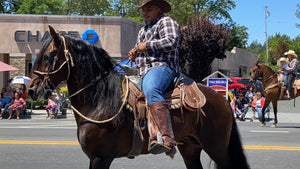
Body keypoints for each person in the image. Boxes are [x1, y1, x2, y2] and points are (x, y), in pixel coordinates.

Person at [128, 0, 180, 154]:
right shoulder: (143, 30)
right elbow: (141, 48)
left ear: (159, 9)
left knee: (151, 88)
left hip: (162, 67)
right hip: (142, 71)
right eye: (143, 9)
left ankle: (166, 138)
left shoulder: (166, 22)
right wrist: (134, 51)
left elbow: (172, 41)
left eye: (148, 9)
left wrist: (146, 46)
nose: (144, 12)